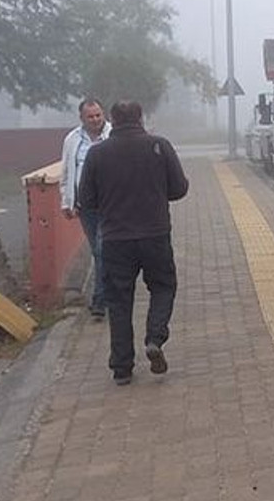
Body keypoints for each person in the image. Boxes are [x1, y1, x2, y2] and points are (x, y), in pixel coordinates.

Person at [78, 100, 189, 386]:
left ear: (112, 119)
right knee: (163, 286)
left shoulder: (97, 154)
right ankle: (154, 338)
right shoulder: (159, 146)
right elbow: (179, 189)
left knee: (118, 301)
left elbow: (87, 201)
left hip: (115, 239)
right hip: (155, 235)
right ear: (140, 117)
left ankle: (122, 368)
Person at [60, 99, 111, 318]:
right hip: (85, 206)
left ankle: (100, 301)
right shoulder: (72, 140)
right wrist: (66, 202)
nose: (95, 120)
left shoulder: (113, 136)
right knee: (98, 252)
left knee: (102, 251)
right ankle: (109, 292)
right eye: (90, 116)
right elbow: (66, 172)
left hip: (110, 204)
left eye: (98, 115)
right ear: (82, 118)